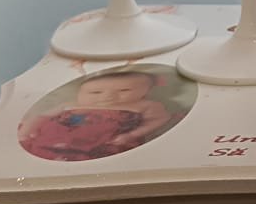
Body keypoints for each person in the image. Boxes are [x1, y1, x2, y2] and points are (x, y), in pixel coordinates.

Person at [19, 69, 176, 163]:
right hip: (54, 139)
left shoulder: (144, 105)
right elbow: (41, 116)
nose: (108, 96)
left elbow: (160, 119)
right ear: (80, 93)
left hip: (105, 143)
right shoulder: (70, 104)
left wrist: (132, 135)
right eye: (95, 92)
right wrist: (26, 131)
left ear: (146, 91)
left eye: (124, 90)